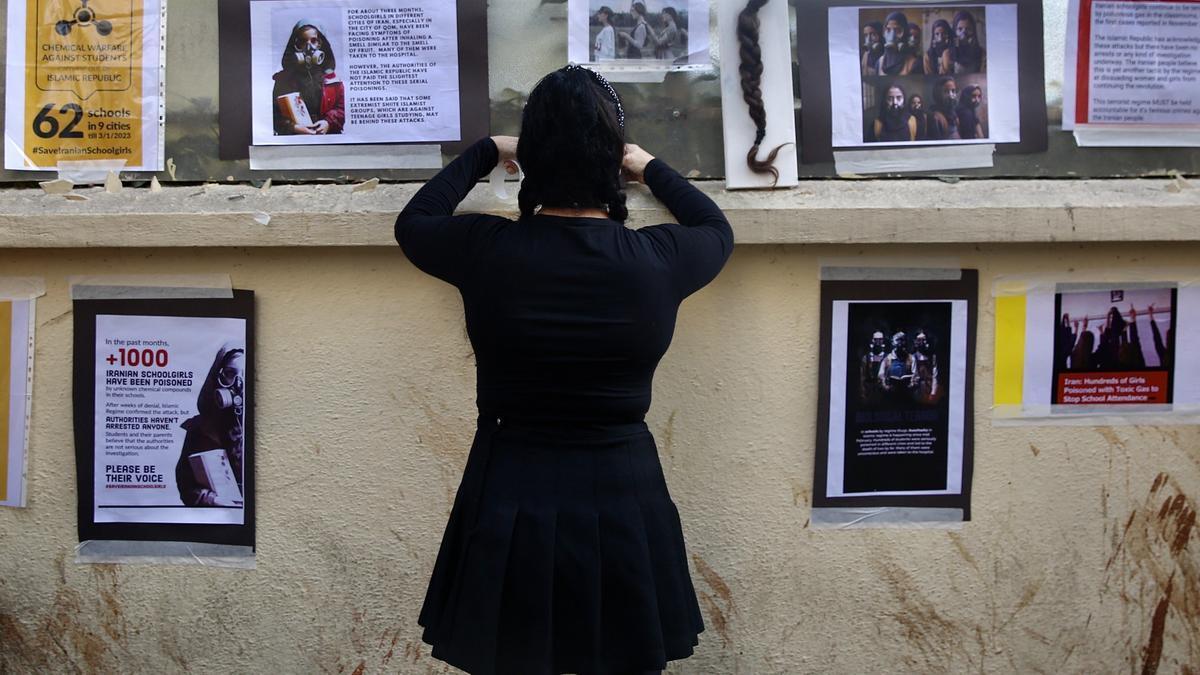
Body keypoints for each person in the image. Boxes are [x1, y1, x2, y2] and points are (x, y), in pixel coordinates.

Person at [395, 65, 731, 674]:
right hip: (623, 485)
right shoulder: (658, 260)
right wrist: (645, 164)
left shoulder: (486, 249)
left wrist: (488, 151)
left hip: (509, 482)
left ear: (534, 159)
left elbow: (415, 222)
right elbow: (715, 226)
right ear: (610, 159)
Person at [175, 343, 245, 507]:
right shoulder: (201, 429)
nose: (239, 384)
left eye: (246, 374)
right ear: (218, 377)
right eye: (230, 374)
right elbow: (187, 486)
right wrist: (213, 500)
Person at [272, 20, 345, 136]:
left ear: (321, 44)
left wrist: (328, 123)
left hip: (328, 137)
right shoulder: (283, 80)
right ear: (295, 45)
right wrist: (293, 127)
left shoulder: (333, 80)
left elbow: (342, 108)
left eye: (314, 40)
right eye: (302, 41)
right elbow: (274, 114)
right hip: (295, 138)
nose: (308, 47)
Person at [876, 11, 917, 76]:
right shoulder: (880, 62)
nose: (892, 36)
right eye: (888, 30)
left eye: (897, 30)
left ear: (905, 33)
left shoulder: (913, 63)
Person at [879, 331, 915, 396]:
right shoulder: (887, 359)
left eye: (902, 340)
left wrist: (911, 386)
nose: (900, 343)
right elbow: (881, 376)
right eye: (898, 340)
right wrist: (886, 388)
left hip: (907, 395)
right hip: (890, 395)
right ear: (893, 342)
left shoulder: (911, 358)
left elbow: (916, 376)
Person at [912, 331, 940, 404]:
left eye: (924, 339)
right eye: (919, 340)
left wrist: (933, 392)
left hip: (930, 388)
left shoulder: (932, 357)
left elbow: (935, 375)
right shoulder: (912, 357)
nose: (922, 342)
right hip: (917, 390)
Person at [861, 330, 888, 404]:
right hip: (869, 390)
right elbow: (862, 376)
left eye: (880, 339)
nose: (878, 342)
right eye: (876, 339)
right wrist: (863, 392)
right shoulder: (866, 358)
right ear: (873, 340)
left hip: (883, 390)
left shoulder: (887, 357)